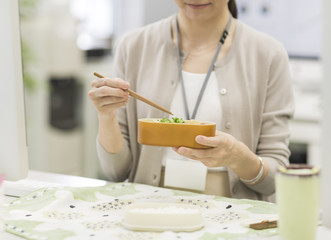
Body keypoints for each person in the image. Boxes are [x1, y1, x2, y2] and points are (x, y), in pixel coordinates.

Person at [88, 0, 294, 201]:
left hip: (230, 218)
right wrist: (106, 116)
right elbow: (116, 172)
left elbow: (274, 180)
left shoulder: (268, 53)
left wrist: (238, 157)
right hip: (148, 209)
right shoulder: (133, 46)